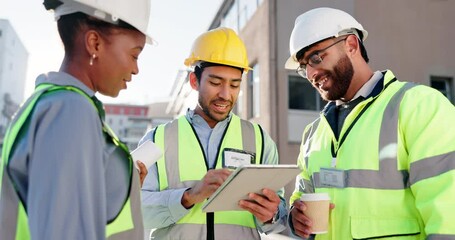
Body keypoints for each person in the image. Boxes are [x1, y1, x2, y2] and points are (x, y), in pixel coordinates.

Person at [285, 7, 455, 239]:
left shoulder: (418, 105)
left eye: (316, 57)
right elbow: (301, 196)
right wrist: (296, 217)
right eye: (304, 67)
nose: (312, 72)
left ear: (352, 45)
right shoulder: (313, 133)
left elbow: (448, 214)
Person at [0, 0, 154, 239]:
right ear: (94, 43)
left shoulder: (50, 103)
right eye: (135, 54)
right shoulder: (71, 112)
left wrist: (126, 181)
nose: (136, 69)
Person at [140, 27, 287, 240]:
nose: (225, 95)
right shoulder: (158, 139)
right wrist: (188, 197)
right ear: (194, 81)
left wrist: (272, 215)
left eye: (234, 85)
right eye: (215, 83)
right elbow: (136, 211)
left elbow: (278, 221)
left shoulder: (259, 140)